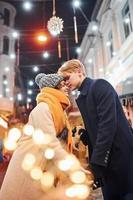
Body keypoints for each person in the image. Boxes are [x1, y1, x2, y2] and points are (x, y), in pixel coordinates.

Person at [0, 73, 92, 200]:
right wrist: (73, 168)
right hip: (29, 167)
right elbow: (51, 143)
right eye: (62, 85)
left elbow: (60, 141)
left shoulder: (58, 111)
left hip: (42, 167)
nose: (66, 88)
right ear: (53, 89)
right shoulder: (43, 109)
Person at [58, 59, 133, 200]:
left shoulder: (99, 86)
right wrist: (85, 135)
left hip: (120, 156)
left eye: (67, 77)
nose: (66, 82)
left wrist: (96, 164)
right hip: (108, 160)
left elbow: (107, 126)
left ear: (79, 71)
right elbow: (99, 129)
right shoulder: (84, 96)